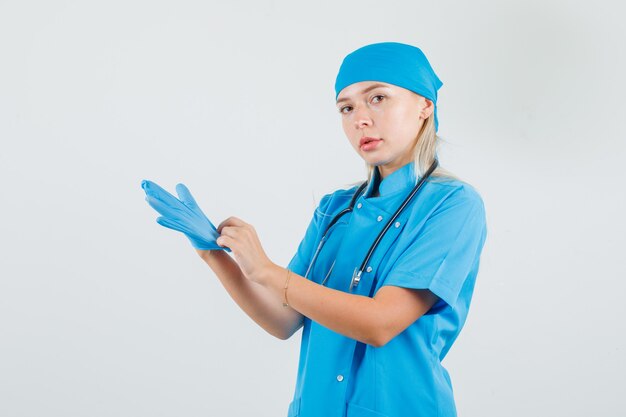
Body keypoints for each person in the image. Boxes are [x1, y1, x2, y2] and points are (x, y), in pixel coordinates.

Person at [141, 41, 487, 417]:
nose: (360, 120)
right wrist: (212, 252)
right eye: (347, 108)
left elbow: (380, 323)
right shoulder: (334, 209)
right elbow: (283, 318)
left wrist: (267, 271)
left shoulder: (452, 205)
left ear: (425, 107)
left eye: (378, 98)